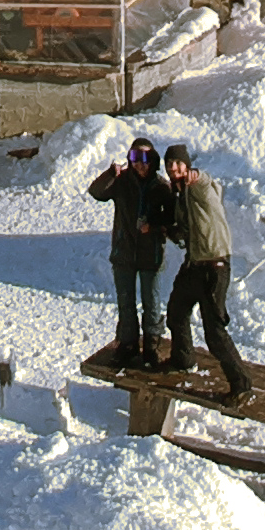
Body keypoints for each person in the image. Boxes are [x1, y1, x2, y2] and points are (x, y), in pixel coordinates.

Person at [156, 142, 249, 396]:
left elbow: (205, 182)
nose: (174, 168)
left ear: (186, 165)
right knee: (176, 312)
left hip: (214, 269)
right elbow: (186, 231)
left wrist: (197, 175)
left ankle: (241, 385)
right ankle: (182, 360)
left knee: (214, 333)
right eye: (169, 164)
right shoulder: (180, 196)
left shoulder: (198, 186)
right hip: (194, 266)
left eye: (178, 163)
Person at [87, 134, 175, 366]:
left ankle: (152, 345)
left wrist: (155, 227)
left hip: (151, 254)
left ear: (153, 160)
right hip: (124, 252)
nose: (140, 163)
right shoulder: (121, 182)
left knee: (151, 302)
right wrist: (110, 173)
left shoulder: (161, 186)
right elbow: (96, 192)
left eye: (146, 157)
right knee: (125, 301)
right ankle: (128, 343)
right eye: (135, 156)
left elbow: (172, 219)